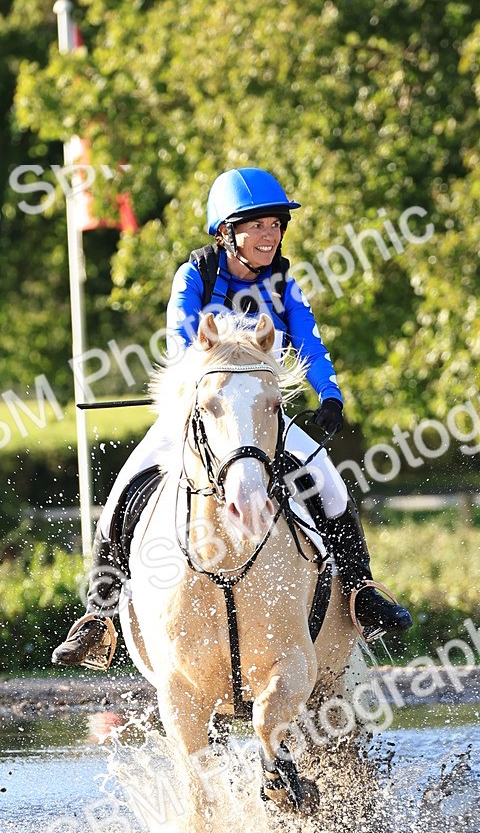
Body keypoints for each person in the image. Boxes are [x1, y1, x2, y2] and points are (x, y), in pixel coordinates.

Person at [52, 167, 412, 669]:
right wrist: (210, 383)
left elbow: (310, 344)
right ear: (227, 232)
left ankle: (360, 591)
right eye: (257, 225)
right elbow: (181, 340)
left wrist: (330, 396)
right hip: (200, 411)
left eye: (275, 225)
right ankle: (99, 616)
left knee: (330, 487)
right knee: (125, 490)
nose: (270, 235)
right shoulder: (195, 275)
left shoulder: (285, 285)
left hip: (262, 415)